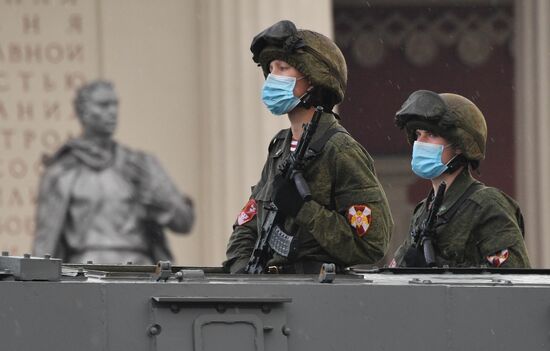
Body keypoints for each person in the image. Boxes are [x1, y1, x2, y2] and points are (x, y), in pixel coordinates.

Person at [223, 20, 393, 274]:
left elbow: (372, 243)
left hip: (319, 292)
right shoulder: (280, 148)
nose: (273, 77)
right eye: (270, 69)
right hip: (272, 290)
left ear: (313, 80)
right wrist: (241, 269)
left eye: (283, 68)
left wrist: (306, 211)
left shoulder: (339, 149)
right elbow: (250, 223)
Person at [32, 80, 195, 264]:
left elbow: (184, 222)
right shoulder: (62, 171)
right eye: (103, 105)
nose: (112, 112)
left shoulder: (141, 165)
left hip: (140, 271)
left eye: (115, 104)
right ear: (83, 112)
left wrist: (158, 200)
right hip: (85, 273)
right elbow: (45, 243)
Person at [390, 90, 530, 268]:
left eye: (431, 135)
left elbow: (508, 282)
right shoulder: (423, 212)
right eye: (418, 134)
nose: (420, 142)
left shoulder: (487, 206)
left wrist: (439, 272)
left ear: (460, 145)